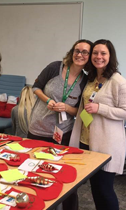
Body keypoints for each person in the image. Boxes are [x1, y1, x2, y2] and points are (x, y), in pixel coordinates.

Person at [27, 39, 93, 210]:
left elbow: (81, 111)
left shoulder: (85, 80)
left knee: (62, 176)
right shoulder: (54, 67)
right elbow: (36, 87)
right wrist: (47, 100)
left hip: (63, 133)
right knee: (35, 171)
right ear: (72, 52)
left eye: (85, 52)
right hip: (38, 128)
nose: (80, 54)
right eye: (77, 50)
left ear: (89, 56)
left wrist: (68, 107)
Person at [70, 39, 126, 210]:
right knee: (95, 188)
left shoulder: (118, 81)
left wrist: (100, 108)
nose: (98, 57)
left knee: (104, 189)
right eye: (95, 53)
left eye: (103, 53)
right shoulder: (91, 78)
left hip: (106, 143)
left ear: (110, 56)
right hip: (87, 141)